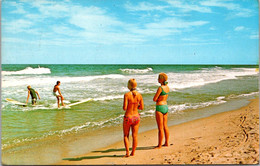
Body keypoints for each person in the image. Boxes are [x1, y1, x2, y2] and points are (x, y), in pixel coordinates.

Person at [123, 79, 144, 157]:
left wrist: (129, 105)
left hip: (128, 117)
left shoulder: (126, 95)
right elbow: (141, 107)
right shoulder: (139, 95)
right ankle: (133, 152)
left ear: (129, 86)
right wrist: (136, 105)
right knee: (135, 136)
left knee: (126, 135)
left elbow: (124, 108)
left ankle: (127, 152)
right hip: (136, 117)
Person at [153, 73, 170, 149]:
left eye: (158, 78)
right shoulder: (167, 87)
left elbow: (154, 99)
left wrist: (157, 99)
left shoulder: (160, 88)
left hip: (159, 107)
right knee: (165, 126)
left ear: (161, 80)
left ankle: (159, 145)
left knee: (160, 128)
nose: (157, 79)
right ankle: (166, 142)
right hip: (165, 106)